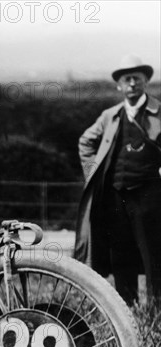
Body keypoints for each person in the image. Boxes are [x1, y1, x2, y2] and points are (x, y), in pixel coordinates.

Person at [75, 54, 161, 304]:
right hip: (115, 196)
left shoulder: (158, 113)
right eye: (127, 79)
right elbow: (85, 142)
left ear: (146, 82)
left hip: (150, 196)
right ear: (119, 86)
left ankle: (155, 312)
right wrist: (93, 173)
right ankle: (128, 308)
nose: (132, 83)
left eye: (137, 78)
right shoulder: (109, 116)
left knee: (153, 253)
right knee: (120, 254)